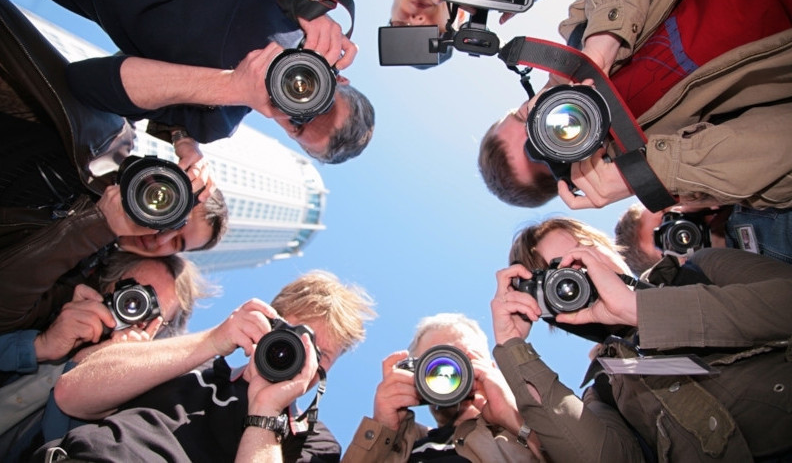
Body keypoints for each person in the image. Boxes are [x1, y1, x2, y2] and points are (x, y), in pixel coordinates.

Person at [0, 0, 229, 334]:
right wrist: (184, 137)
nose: (160, 240)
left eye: (177, 245)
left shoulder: (81, 280)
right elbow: (160, 43)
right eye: (174, 217)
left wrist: (100, 225)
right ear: (167, 184)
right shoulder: (114, 135)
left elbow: (6, 310)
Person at [479, 0, 792, 211]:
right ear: (570, 178)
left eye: (525, 118)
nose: (548, 123)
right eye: (544, 148)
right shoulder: (667, 164)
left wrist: (600, 44)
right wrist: (655, 172)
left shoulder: (580, 29)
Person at [0, 0, 375, 166]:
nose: (299, 104)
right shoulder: (299, 1)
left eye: (298, 124)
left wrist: (228, 87)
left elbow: (85, 83)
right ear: (337, 78)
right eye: (319, 105)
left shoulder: (217, 118)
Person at [490, 216, 792, 461]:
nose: (576, 273)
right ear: (544, 309)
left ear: (608, 246)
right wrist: (513, 347)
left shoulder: (703, 267)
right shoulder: (606, 392)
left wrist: (637, 309)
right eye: (557, 277)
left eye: (582, 251)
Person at [33, 271, 377, 462]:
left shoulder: (313, 440)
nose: (302, 351)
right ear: (267, 321)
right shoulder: (186, 362)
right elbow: (71, 394)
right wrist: (213, 341)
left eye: (321, 353)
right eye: (295, 332)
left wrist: (267, 413)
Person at [0, 251, 210, 462]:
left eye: (150, 311)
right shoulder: (46, 304)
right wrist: (39, 346)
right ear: (105, 285)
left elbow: (64, 449)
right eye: (131, 293)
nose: (133, 311)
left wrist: (104, 373)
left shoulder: (132, 411)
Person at [342, 312, 544, 462]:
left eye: (464, 358)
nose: (450, 370)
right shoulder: (404, 444)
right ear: (415, 376)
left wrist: (514, 419)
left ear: (492, 368)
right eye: (435, 364)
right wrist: (383, 428)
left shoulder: (535, 430)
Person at [616, 202, 792, 275]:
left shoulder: (744, 197)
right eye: (666, 243)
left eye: (667, 219)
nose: (680, 232)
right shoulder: (744, 295)